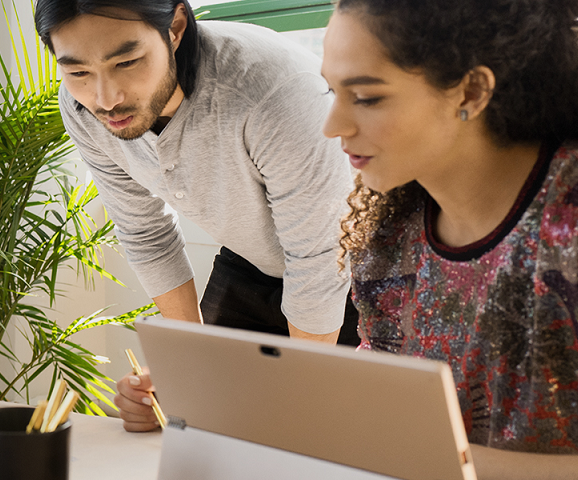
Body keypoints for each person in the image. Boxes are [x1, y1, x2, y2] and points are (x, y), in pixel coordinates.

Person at [322, 0, 578, 476]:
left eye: (366, 97)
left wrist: (452, 465)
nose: (332, 126)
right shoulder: (387, 237)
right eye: (332, 91)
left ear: (471, 92)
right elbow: (391, 417)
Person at [35, 0, 357, 432]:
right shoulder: (83, 108)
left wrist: (297, 404)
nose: (106, 99)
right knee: (209, 419)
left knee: (328, 432)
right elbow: (145, 233)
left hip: (364, 272)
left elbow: (319, 262)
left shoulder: (272, 91)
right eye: (77, 71)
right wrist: (182, 383)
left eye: (126, 62)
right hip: (254, 260)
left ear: (175, 26)